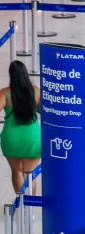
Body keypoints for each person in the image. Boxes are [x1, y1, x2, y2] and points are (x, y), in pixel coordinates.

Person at [1, 61, 41, 194]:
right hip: (32, 137)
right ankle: (31, 205)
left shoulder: (5, 93)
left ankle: (21, 204)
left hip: (12, 138)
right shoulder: (35, 91)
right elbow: (44, 110)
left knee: (16, 171)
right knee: (31, 174)